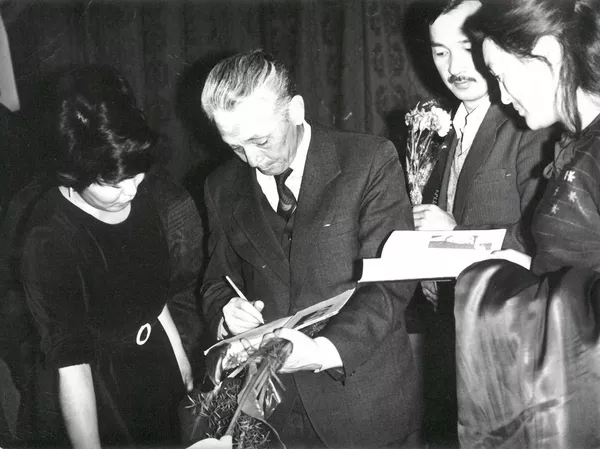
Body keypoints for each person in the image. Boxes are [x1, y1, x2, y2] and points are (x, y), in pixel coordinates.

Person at [199, 50, 421, 448]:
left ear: (295, 111)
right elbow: (216, 281)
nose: (252, 159)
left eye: (260, 140)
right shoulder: (220, 187)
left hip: (362, 404)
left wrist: (322, 351)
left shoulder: (369, 161)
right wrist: (226, 313)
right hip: (271, 414)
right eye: (234, 147)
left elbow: (392, 283)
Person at [17, 65, 204, 448]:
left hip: (156, 362)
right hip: (101, 389)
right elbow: (72, 367)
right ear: (74, 172)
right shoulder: (49, 239)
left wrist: (180, 362)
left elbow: (154, 300)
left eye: (137, 175)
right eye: (114, 184)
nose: (132, 191)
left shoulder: (138, 195)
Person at [451, 0, 600, 447]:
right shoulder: (576, 144)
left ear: (548, 53)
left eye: (500, 75)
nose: (499, 95)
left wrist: (485, 289)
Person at [406, 1, 555, 446]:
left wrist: (455, 238)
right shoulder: (441, 131)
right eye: (440, 52)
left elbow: (541, 234)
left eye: (467, 48)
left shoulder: (530, 122)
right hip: (453, 333)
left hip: (513, 337)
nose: (454, 67)